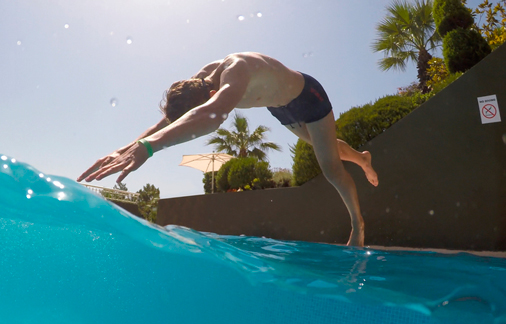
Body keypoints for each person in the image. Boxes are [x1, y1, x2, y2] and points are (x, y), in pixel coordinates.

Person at [78, 52, 378, 246]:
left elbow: (211, 117)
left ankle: (357, 223)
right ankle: (362, 157)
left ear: (210, 93)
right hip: (279, 106)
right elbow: (169, 121)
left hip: (307, 96)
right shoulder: (199, 80)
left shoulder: (236, 71)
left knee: (330, 168)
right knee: (322, 146)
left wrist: (150, 147)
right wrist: (128, 146)